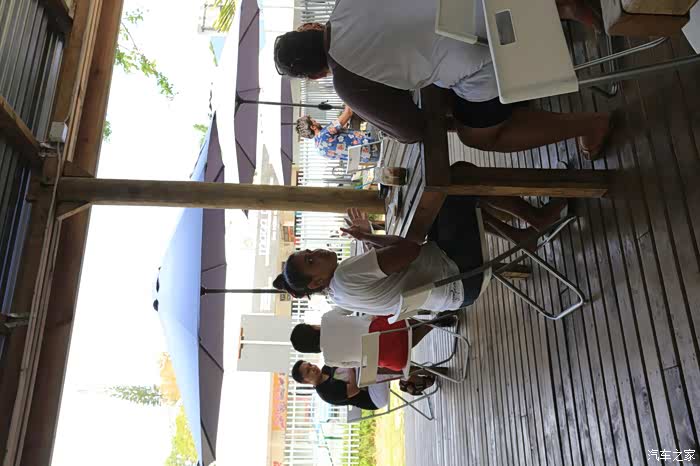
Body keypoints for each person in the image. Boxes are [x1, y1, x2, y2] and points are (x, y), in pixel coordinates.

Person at [273, 1, 611, 160]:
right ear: (311, 27)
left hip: (488, 54)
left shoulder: (347, 83)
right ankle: (558, 8)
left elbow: (412, 130)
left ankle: (590, 123)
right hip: (485, 3)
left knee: (476, 135)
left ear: (316, 75)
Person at [273, 182, 569, 315]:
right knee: (455, 182)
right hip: (460, 273)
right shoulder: (344, 276)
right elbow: (410, 249)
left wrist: (370, 238)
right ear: (316, 282)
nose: (317, 254)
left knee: (444, 203)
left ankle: (521, 236)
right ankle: (537, 219)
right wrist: (371, 238)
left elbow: (404, 254)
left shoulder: (339, 297)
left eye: (309, 252)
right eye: (311, 261)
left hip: (454, 294)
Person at [287, 309, 456, 371]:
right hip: (390, 328)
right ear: (311, 328)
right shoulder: (327, 319)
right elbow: (351, 306)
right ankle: (431, 322)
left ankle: (431, 326)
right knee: (388, 320)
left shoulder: (330, 360)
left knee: (386, 348)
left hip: (394, 358)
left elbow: (358, 363)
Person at [291, 361, 437, 409]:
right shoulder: (326, 393)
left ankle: (409, 381)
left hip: (368, 379)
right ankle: (414, 379)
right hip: (373, 398)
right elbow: (354, 390)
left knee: (376, 360)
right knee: (376, 370)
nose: (313, 368)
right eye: (308, 371)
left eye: (310, 365)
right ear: (305, 381)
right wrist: (350, 368)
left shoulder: (327, 367)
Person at [296, 106, 380, 162]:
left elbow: (340, 146)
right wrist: (346, 96)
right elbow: (348, 112)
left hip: (369, 157)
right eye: (314, 121)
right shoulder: (325, 133)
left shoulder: (319, 150)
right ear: (313, 127)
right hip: (373, 144)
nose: (317, 121)